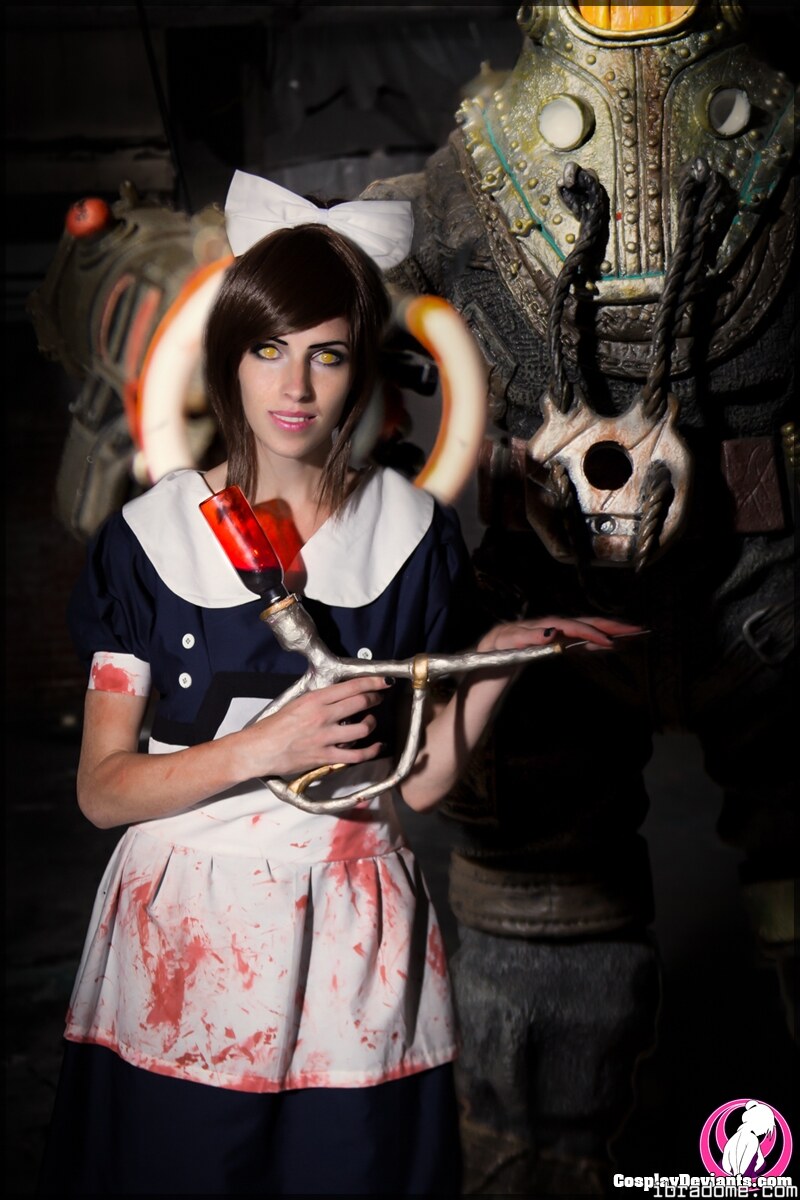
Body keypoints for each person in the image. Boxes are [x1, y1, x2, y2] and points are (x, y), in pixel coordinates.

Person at [37, 175, 637, 1196]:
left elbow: (414, 786)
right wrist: (266, 747)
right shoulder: (148, 540)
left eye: (327, 354)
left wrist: (497, 656)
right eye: (268, 349)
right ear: (228, 357)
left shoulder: (412, 538)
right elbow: (103, 791)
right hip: (188, 936)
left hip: (353, 933)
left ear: (362, 370)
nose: (295, 387)